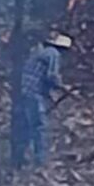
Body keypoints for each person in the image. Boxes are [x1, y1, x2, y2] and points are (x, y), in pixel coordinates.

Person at [19, 33, 71, 167]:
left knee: (26, 124)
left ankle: (21, 156)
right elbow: (52, 76)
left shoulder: (39, 52)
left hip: (23, 91)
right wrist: (63, 87)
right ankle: (39, 160)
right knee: (39, 126)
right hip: (33, 93)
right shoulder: (53, 54)